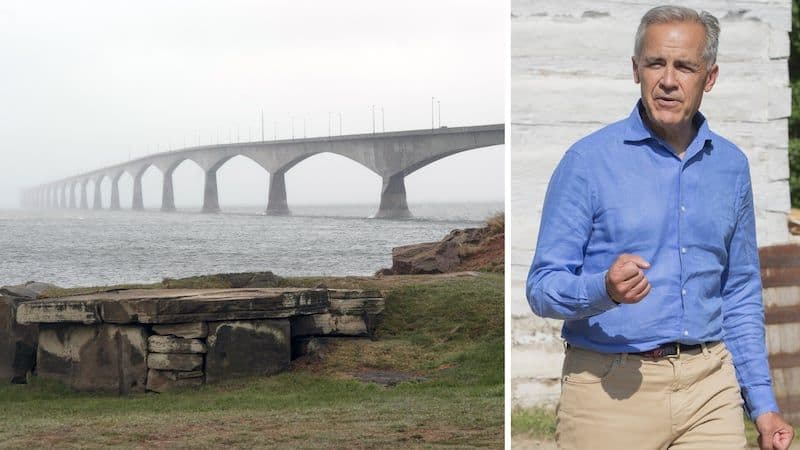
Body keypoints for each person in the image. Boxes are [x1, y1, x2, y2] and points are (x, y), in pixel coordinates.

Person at [526, 5, 795, 449]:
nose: (668, 80)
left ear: (709, 77)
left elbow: (741, 292)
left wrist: (763, 407)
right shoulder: (587, 163)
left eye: (684, 66)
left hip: (710, 387)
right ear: (636, 70)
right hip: (608, 392)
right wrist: (604, 290)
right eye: (656, 63)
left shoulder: (731, 167)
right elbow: (541, 287)